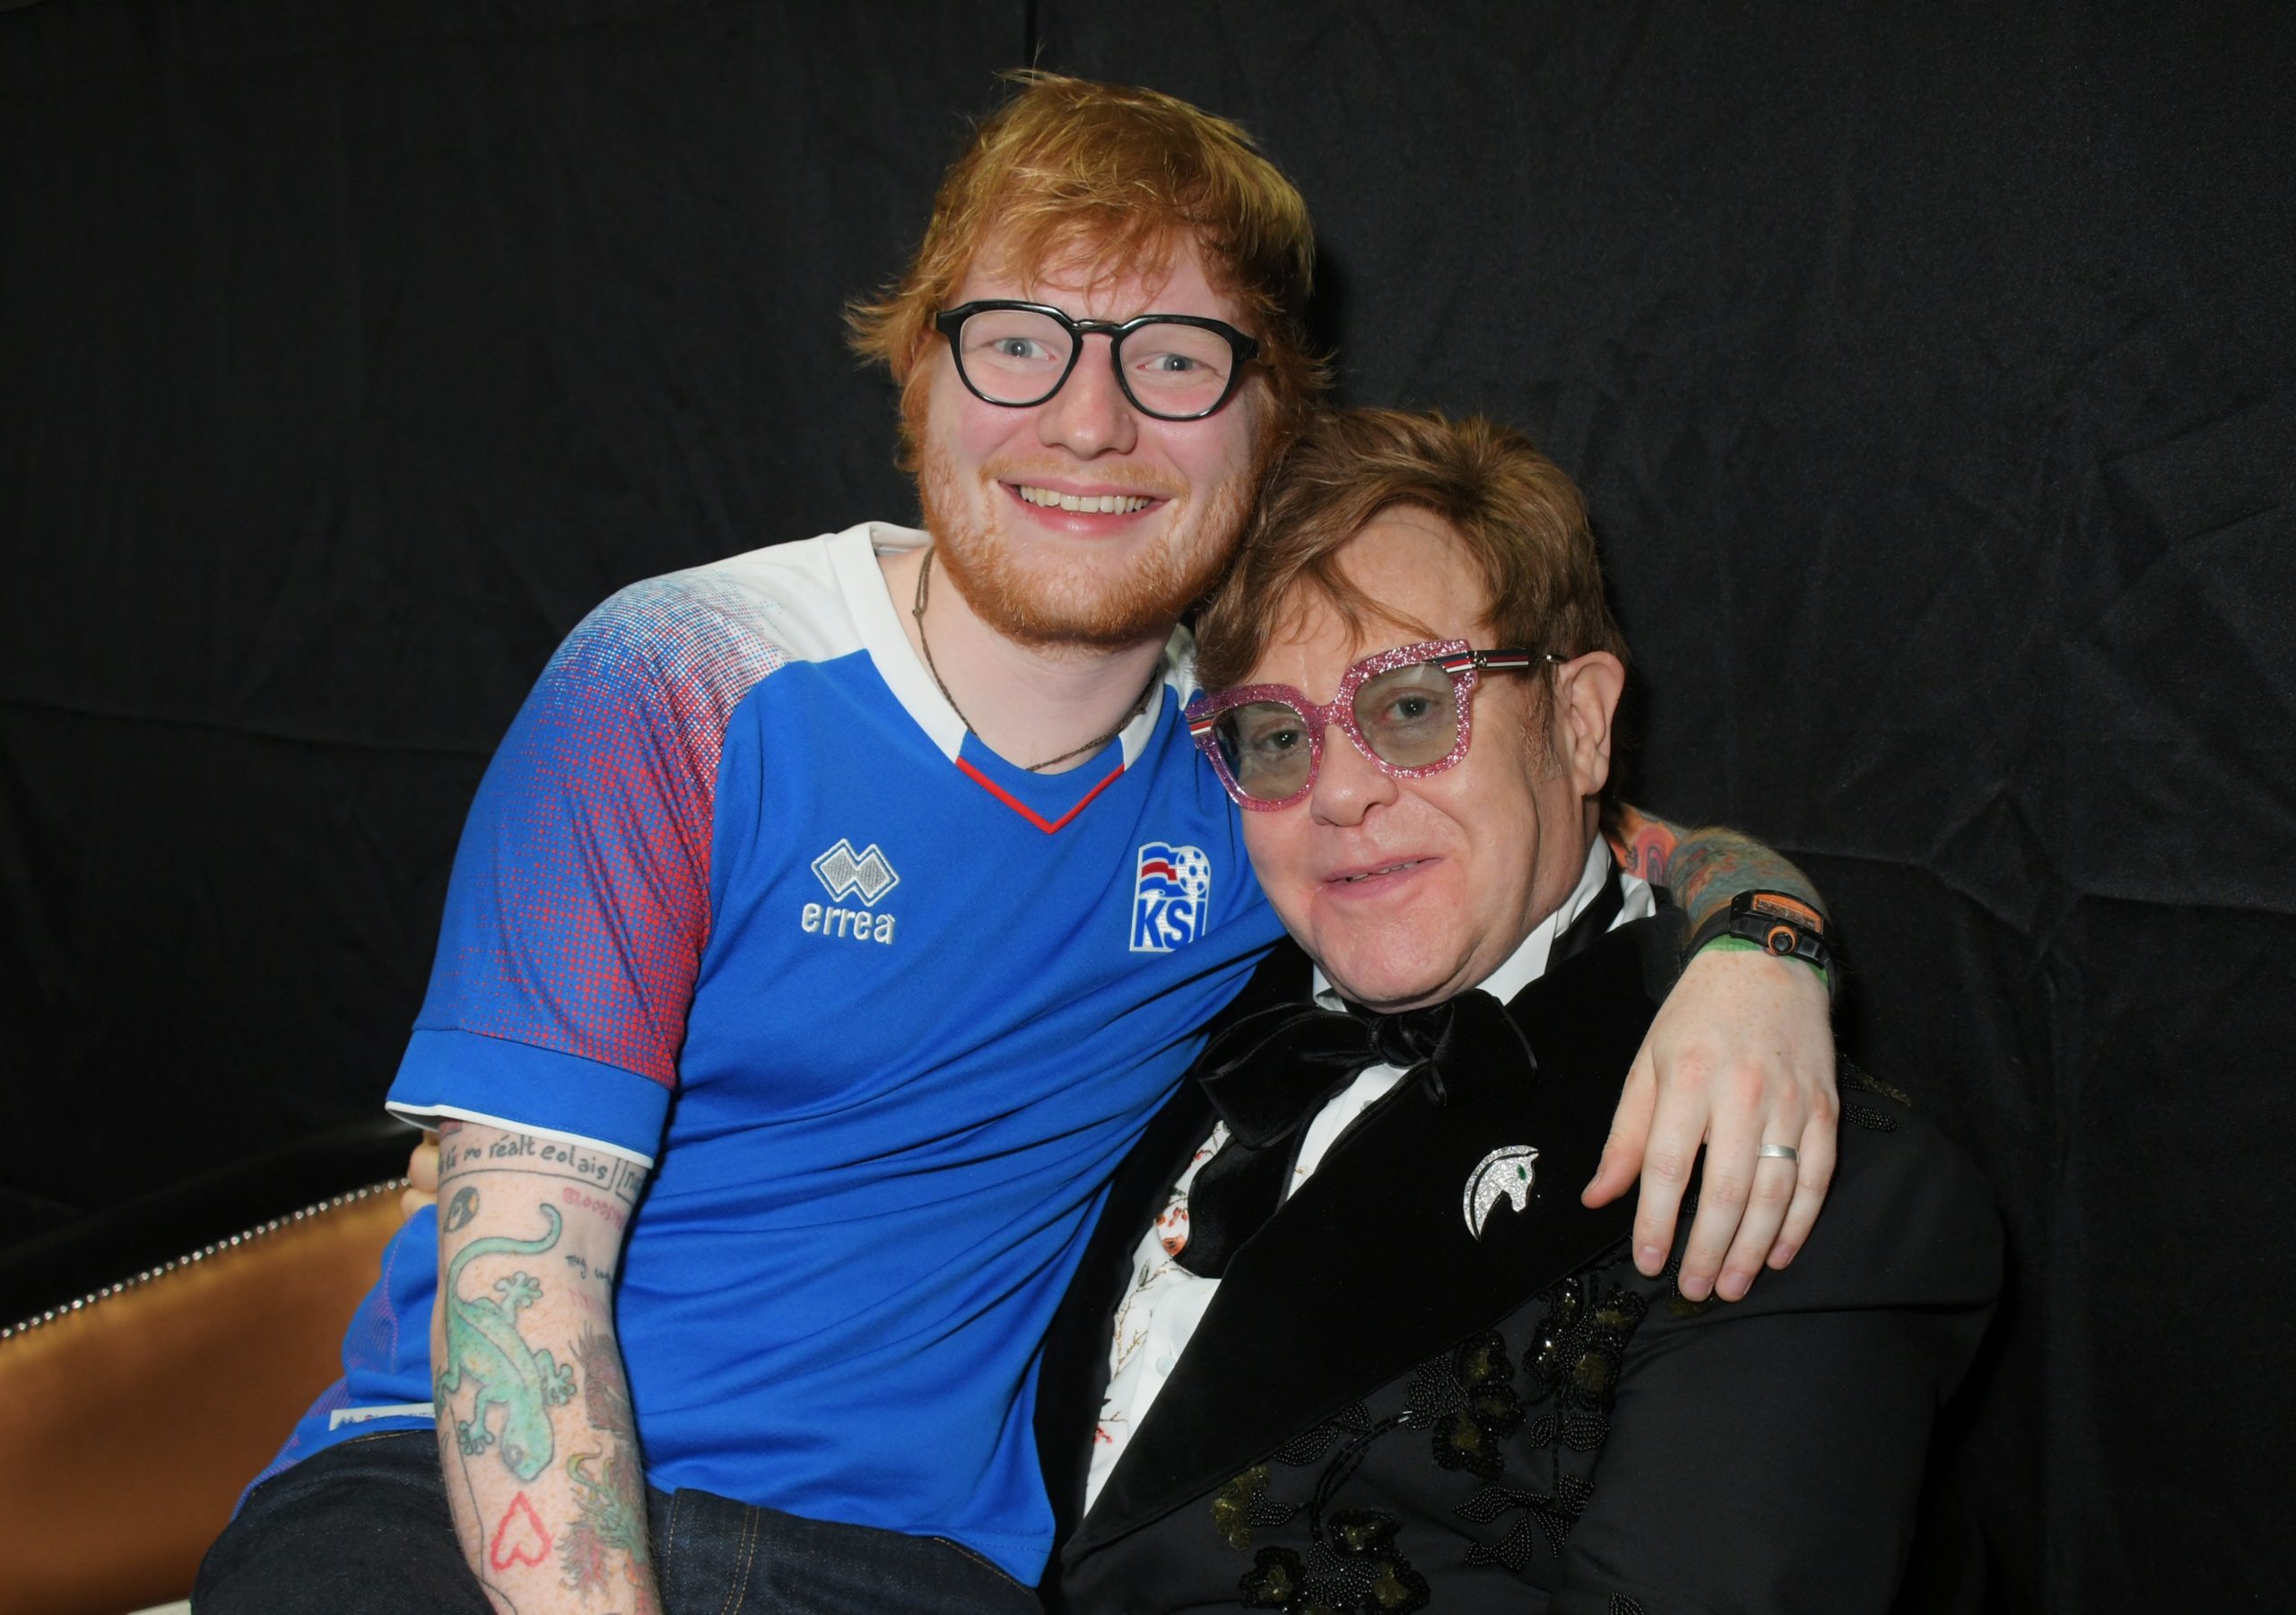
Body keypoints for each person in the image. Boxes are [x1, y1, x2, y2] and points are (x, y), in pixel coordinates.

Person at [196, 76, 1843, 1615]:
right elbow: (523, 1279)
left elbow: (1601, 834)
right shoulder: (678, 681)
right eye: (1019, 344)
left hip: (902, 1569)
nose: (1090, 420)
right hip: (452, 1504)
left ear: (1268, 418)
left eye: (1175, 359)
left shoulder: (1263, 767)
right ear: (918, 372)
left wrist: (1765, 956)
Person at [1039, 408, 2001, 1613]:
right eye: (1277, 735)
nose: (1337, 793)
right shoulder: (1178, 1003)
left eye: (1410, 707)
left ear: (1580, 723)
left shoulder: (1779, 1160)